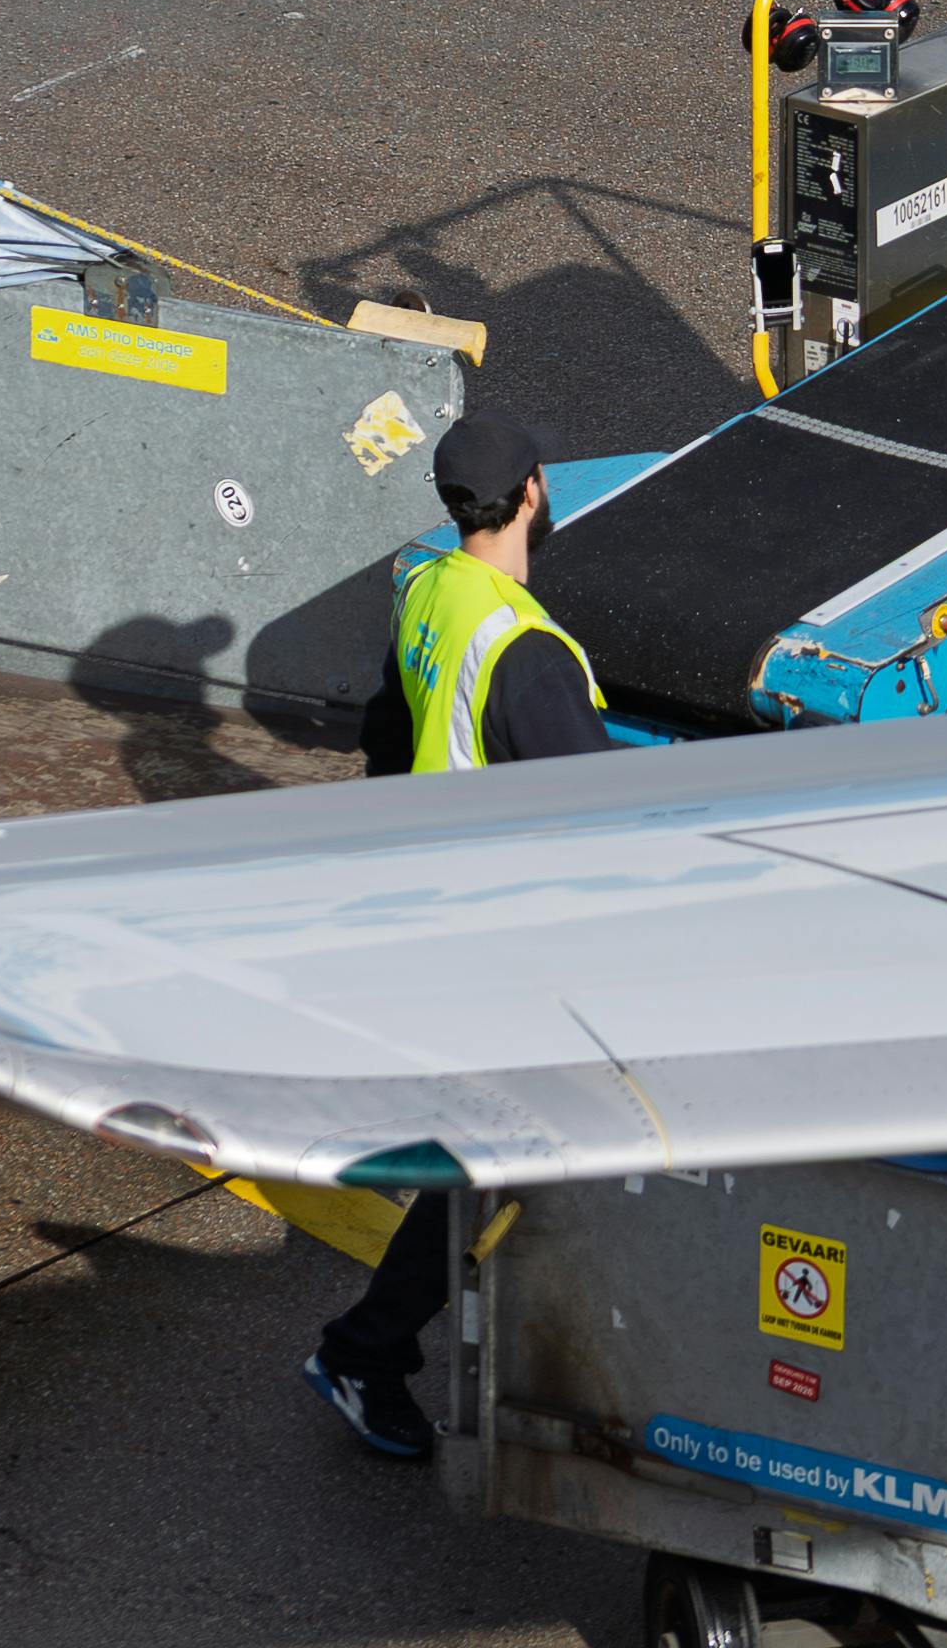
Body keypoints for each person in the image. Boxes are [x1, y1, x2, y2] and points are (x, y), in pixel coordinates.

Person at [299, 401, 603, 1462]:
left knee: (487, 1151)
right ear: (533, 494)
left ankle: (381, 1346)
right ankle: (366, 1352)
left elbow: (390, 737)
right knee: (504, 1150)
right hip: (504, 946)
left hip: (435, 915)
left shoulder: (430, 589)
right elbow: (608, 822)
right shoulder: (528, 653)